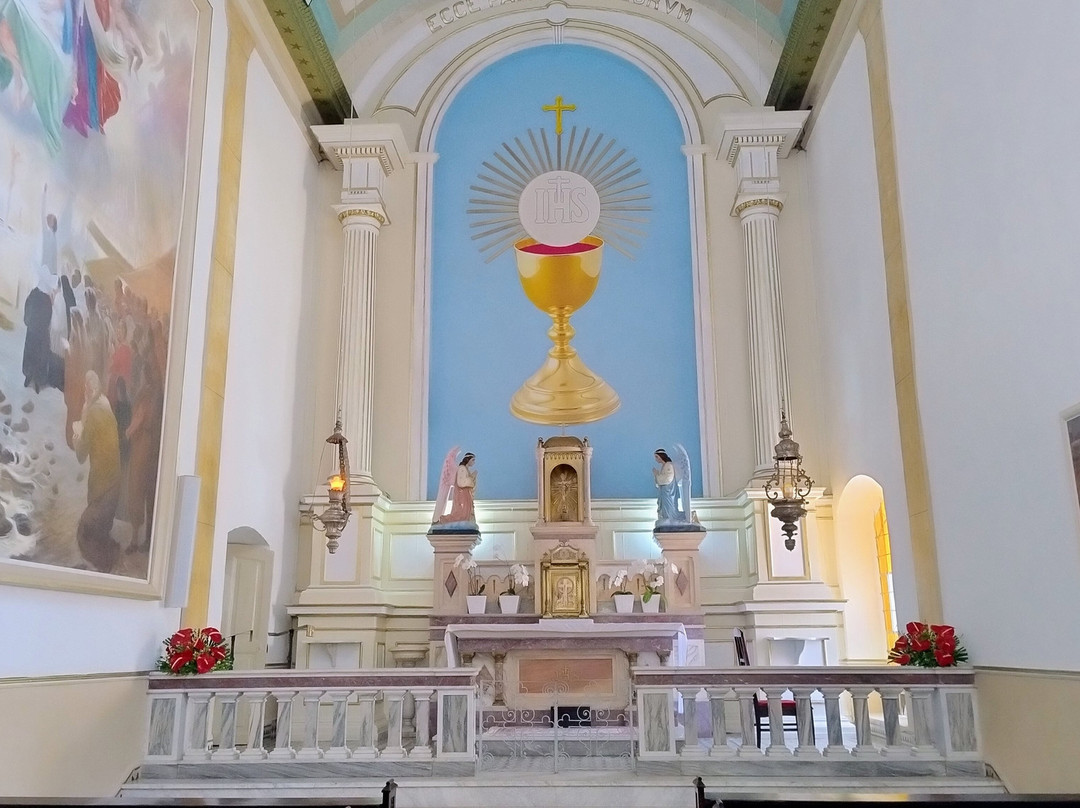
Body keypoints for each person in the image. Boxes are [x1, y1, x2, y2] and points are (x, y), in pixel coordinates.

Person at [73, 370, 122, 573]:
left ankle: (104, 567)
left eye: (87, 386)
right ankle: (107, 556)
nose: (86, 390)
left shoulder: (93, 412)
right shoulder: (105, 404)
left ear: (91, 389)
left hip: (103, 484)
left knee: (85, 532)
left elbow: (81, 455)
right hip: (113, 481)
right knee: (99, 528)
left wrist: (77, 437)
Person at [438, 452, 477, 524]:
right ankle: (445, 521)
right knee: (461, 513)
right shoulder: (462, 468)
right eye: (473, 460)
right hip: (462, 495)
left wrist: (472, 477)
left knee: (465, 513)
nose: (474, 462)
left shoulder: (465, 469)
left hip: (466, 494)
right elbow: (461, 482)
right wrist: (471, 479)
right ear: (468, 460)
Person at [653, 449, 679, 523]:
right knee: (664, 507)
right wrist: (657, 475)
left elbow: (667, 479)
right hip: (664, 491)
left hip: (668, 491)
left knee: (668, 506)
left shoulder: (669, 465)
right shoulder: (664, 465)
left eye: (656, 457)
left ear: (661, 457)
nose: (656, 459)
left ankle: (669, 519)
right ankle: (666, 519)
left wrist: (657, 475)